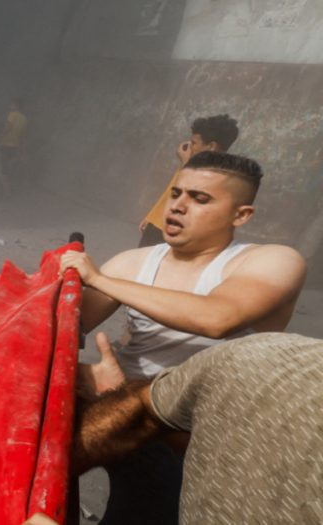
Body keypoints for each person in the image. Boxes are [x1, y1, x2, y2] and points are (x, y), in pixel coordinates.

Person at [60, 150, 306, 525]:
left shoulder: (273, 261)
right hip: (117, 417)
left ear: (241, 215)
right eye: (176, 193)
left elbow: (218, 318)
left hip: (195, 441)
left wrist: (98, 280)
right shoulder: (132, 263)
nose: (177, 206)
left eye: (199, 198)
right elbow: (61, 331)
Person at [26, 332, 323, 525]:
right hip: (165, 421)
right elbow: (142, 410)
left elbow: (222, 317)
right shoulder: (264, 360)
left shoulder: (274, 267)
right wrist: (38, 478)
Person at [139, 115, 239, 247]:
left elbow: (190, 193)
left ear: (211, 146)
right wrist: (151, 216)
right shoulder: (191, 163)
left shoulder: (217, 173)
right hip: (158, 225)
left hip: (174, 229)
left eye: (194, 143)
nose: (189, 146)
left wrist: (186, 164)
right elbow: (170, 192)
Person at [0, 99, 27, 195]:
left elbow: (7, 127)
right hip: (15, 146)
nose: (10, 106)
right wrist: (22, 151)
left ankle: (7, 193)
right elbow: (22, 136)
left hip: (5, 145)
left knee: (2, 171)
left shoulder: (12, 115)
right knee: (10, 168)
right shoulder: (24, 119)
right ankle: (10, 188)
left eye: (11, 104)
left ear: (16, 105)